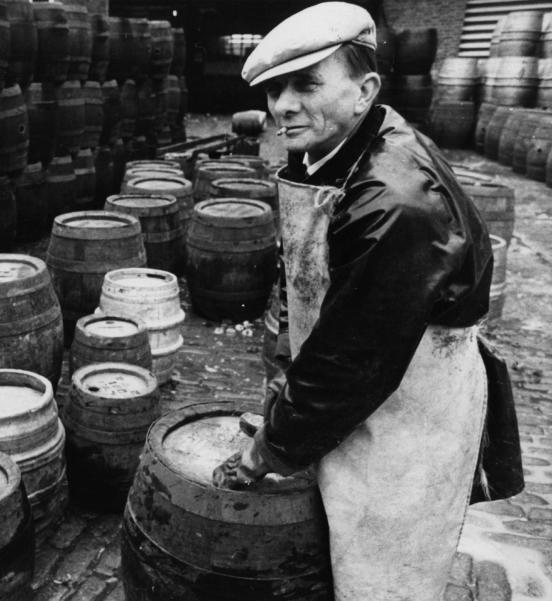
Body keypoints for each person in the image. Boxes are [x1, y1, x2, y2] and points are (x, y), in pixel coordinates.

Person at [210, 3, 514, 600]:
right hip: (368, 382)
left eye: (306, 84)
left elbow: (350, 355)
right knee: (339, 541)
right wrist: (284, 371)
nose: (283, 106)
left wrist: (268, 449)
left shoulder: (395, 201)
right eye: (275, 89)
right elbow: (309, 280)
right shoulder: (335, 145)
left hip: (410, 406)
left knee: (385, 571)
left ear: (365, 88)